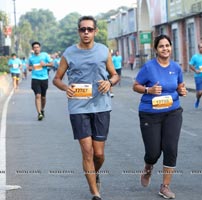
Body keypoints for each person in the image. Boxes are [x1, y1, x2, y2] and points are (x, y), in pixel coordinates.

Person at [53, 16, 119, 200]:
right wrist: (67, 88)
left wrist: (109, 82)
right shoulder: (69, 53)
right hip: (78, 107)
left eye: (90, 29)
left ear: (95, 31)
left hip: (101, 106)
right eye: (83, 29)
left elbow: (114, 75)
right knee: (87, 151)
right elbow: (57, 79)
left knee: (99, 154)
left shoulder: (103, 51)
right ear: (78, 31)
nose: (86, 32)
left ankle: (93, 173)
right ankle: (95, 193)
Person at [132, 34, 187, 199]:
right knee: (153, 152)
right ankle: (148, 168)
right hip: (150, 114)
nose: (165, 49)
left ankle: (165, 186)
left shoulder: (176, 68)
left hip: (172, 112)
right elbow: (135, 86)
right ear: (156, 49)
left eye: (167, 45)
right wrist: (148, 90)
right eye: (161, 46)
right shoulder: (149, 68)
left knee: (171, 148)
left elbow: (180, 86)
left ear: (171, 47)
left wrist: (181, 91)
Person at [28, 42, 53, 121]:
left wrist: (45, 64)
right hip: (35, 78)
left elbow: (52, 64)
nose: (36, 49)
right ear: (32, 49)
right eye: (34, 47)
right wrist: (30, 68)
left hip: (44, 78)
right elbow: (29, 67)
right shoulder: (31, 58)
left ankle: (42, 109)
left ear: (40, 48)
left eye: (37, 47)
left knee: (43, 97)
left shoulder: (45, 55)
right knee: (37, 95)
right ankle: (39, 113)